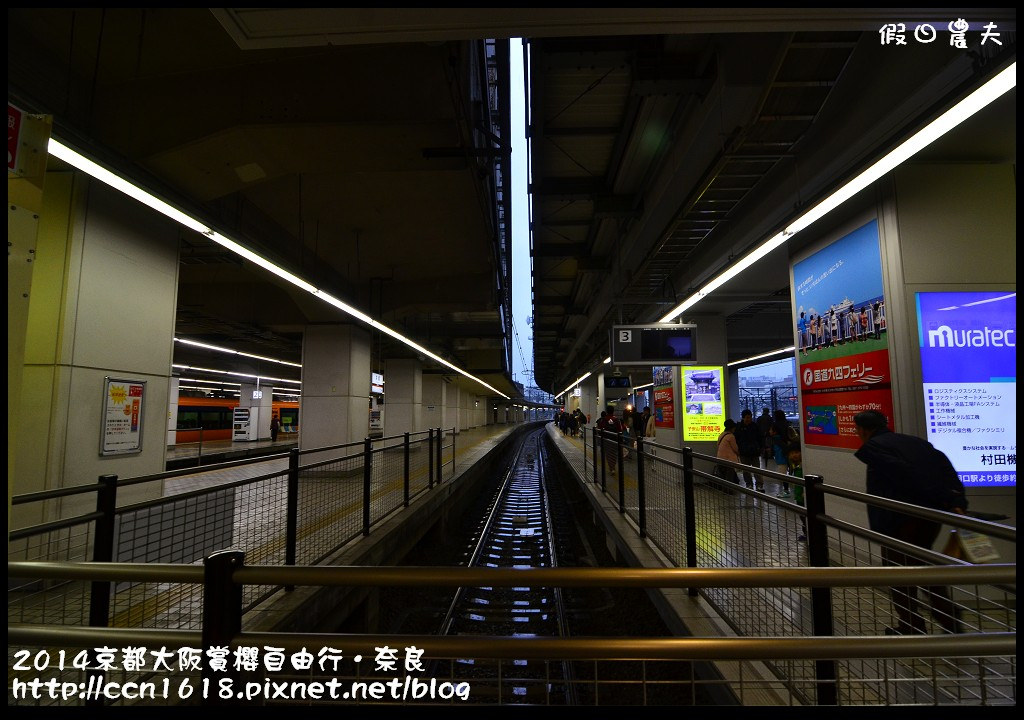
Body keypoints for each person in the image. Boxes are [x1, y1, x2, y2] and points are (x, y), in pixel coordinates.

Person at [853, 410, 965, 635]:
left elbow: (908, 475)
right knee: (922, 564)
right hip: (930, 517)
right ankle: (948, 618)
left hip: (900, 519)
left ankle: (912, 624)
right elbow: (943, 465)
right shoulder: (915, 443)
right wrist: (954, 499)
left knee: (898, 572)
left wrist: (936, 496)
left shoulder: (875, 447)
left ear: (864, 430)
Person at [733, 409, 764, 491]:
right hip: (743, 452)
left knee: (756, 470)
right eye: (747, 417)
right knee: (746, 471)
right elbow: (736, 439)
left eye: (750, 417)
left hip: (754, 451)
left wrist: (760, 448)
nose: (748, 419)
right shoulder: (739, 427)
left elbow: (760, 438)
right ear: (743, 418)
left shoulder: (755, 426)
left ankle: (759, 485)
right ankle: (749, 484)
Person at [769, 410, 796, 497]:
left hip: (782, 453)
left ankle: (786, 490)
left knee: (783, 472)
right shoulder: (788, 424)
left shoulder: (776, 431)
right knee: (792, 470)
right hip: (791, 450)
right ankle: (794, 489)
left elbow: (778, 446)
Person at [786, 444, 806, 541]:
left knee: (806, 517)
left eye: (797, 452)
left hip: (803, 496)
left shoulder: (804, 467)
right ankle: (806, 533)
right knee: (802, 517)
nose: (794, 455)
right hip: (799, 497)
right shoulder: (795, 467)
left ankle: (808, 534)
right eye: (792, 453)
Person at [597, 405, 624, 473]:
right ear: (613, 411)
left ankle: (611, 467)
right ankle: (613, 467)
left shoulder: (604, 419)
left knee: (608, 454)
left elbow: (600, 429)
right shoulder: (616, 420)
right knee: (614, 453)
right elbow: (620, 430)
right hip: (615, 439)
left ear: (606, 411)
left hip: (606, 440)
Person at [715, 419, 741, 489]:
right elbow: (735, 448)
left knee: (723, 475)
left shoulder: (721, 434)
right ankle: (728, 490)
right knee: (729, 476)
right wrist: (739, 453)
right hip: (728, 459)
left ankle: (724, 489)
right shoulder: (731, 436)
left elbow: (718, 444)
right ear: (732, 428)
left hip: (720, 458)